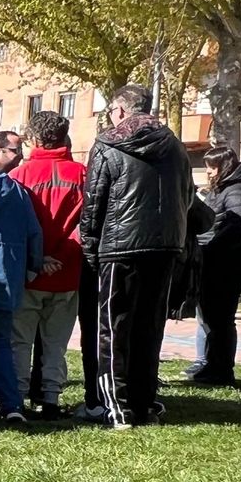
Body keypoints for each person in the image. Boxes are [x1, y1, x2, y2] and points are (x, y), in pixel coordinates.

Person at [79, 83, 194, 427]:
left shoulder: (107, 142)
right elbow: (187, 195)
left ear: (119, 111)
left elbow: (94, 199)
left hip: (119, 245)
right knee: (149, 326)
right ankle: (144, 402)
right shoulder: (175, 145)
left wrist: (89, 246)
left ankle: (117, 406)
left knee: (113, 329)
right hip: (165, 246)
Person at [9, 110, 86, 418]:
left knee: (20, 341)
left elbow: (14, 227)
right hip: (68, 272)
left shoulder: (19, 177)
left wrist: (37, 259)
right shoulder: (82, 174)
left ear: (35, 139)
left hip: (29, 273)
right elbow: (86, 226)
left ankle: (15, 398)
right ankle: (51, 398)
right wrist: (63, 257)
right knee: (56, 343)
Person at [0, 145, 43, 422]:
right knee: (1, 344)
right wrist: (33, 267)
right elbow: (33, 232)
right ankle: (12, 405)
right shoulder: (17, 192)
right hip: (5, 278)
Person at [187, 146, 241, 386]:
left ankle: (221, 370)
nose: (208, 172)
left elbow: (237, 229)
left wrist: (207, 252)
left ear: (224, 167)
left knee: (221, 317)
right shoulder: (222, 189)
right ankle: (211, 365)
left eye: (212, 167)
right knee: (211, 315)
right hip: (218, 260)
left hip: (232, 262)